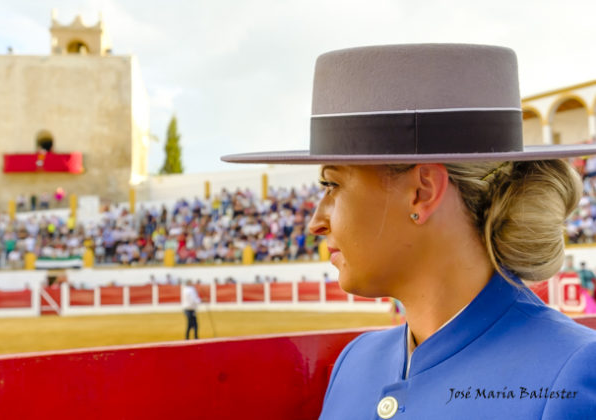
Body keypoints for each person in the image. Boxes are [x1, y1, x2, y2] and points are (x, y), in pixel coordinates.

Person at [222, 44, 596, 418]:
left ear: (422, 192)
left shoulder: (569, 373)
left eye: (333, 185)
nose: (316, 222)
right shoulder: (354, 363)